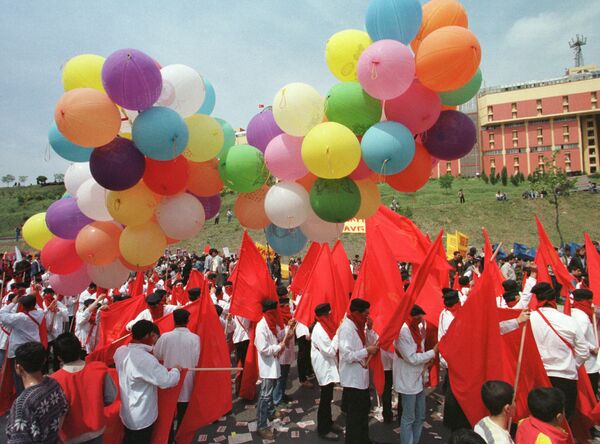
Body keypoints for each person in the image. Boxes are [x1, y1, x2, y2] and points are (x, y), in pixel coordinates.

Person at [529, 282, 589, 421]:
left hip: (539, 376)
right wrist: (572, 365)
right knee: (563, 421)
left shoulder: (530, 318)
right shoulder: (569, 321)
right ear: (554, 299)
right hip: (566, 377)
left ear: (537, 299)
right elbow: (583, 352)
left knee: (539, 419)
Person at [114, 320, 181, 443]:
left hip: (126, 412)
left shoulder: (120, 351)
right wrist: (176, 370)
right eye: (153, 335)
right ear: (148, 336)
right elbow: (166, 380)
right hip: (142, 415)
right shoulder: (145, 359)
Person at [51, 333, 117, 444]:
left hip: (70, 436)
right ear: (79, 349)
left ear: (59, 357)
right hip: (96, 430)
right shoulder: (99, 369)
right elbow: (111, 397)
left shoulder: (54, 380)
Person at [6, 342, 68, 444]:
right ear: (44, 361)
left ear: (19, 368)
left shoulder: (22, 404)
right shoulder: (53, 384)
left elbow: (19, 439)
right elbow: (64, 410)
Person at [153, 309, 200, 441]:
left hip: (168, 380)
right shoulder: (195, 338)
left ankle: (168, 439)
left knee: (167, 415)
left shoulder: (165, 337)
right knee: (183, 415)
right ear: (188, 321)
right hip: (187, 380)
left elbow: (157, 355)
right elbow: (197, 360)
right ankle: (182, 439)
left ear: (174, 321)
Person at [394, 305, 436, 444]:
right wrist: (433, 352)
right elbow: (411, 358)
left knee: (420, 416)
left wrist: (426, 362)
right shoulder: (402, 331)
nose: (420, 319)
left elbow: (420, 350)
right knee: (409, 418)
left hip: (418, 378)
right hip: (407, 380)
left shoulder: (416, 328)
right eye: (417, 316)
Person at [338, 298, 379, 444]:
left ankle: (364, 439)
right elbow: (347, 356)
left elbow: (367, 343)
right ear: (356, 313)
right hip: (352, 380)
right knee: (354, 416)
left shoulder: (359, 325)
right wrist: (366, 351)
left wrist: (370, 328)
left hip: (361, 377)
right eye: (365, 314)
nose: (366, 317)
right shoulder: (346, 329)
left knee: (363, 412)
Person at [255, 299, 289, 440]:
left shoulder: (272, 323)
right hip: (267, 366)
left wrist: (289, 329)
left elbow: (280, 335)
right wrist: (279, 347)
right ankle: (261, 426)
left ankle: (270, 412)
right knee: (265, 395)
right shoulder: (261, 326)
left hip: (274, 364)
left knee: (270, 391)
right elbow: (263, 349)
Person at [0, 293, 46, 394]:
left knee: (20, 378)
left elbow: (2, 314)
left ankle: (22, 398)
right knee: (34, 374)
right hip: (34, 349)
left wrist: (13, 303)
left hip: (20, 352)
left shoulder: (19, 318)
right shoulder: (40, 313)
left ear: (22, 305)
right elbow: (38, 307)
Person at [311, 303, 342, 441]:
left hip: (328, 365)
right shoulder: (319, 330)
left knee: (328, 396)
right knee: (325, 399)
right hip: (323, 366)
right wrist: (338, 334)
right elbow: (329, 350)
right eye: (328, 314)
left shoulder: (325, 326)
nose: (330, 316)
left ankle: (329, 422)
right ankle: (323, 429)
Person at [570, 289, 600, 396]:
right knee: (590, 391)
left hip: (582, 360)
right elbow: (578, 338)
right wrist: (592, 348)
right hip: (588, 361)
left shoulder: (573, 311)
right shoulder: (582, 316)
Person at [274, 288, 296, 406]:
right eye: (285, 306)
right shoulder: (278, 320)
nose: (287, 308)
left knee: (285, 375)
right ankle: (277, 399)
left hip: (288, 351)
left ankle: (282, 394)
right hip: (281, 352)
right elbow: (281, 336)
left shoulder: (288, 317)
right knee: (280, 376)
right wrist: (289, 327)